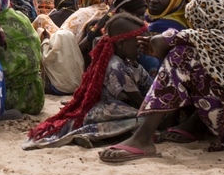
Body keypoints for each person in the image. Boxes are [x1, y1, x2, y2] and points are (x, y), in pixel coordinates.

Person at [98, 0, 224, 163]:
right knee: (205, 65)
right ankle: (194, 127)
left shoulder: (209, 37)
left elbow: (158, 41)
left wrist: (162, 50)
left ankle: (143, 138)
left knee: (181, 55)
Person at [25, 14, 152, 149]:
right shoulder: (115, 66)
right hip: (106, 111)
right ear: (121, 43)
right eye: (138, 45)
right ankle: (91, 135)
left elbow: (150, 87)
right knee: (145, 120)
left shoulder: (131, 63)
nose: (142, 50)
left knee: (144, 119)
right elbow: (139, 101)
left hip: (121, 109)